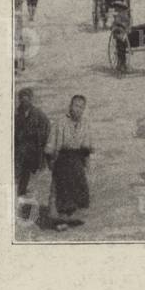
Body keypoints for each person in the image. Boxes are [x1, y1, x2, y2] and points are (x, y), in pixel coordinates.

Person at [47, 95, 93, 232]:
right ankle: (60, 219)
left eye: (81, 107)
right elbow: (51, 143)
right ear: (70, 106)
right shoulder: (60, 122)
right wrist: (51, 161)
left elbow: (86, 146)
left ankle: (70, 215)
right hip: (62, 158)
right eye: (75, 106)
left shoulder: (85, 123)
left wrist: (87, 162)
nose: (78, 109)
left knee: (77, 187)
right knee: (61, 188)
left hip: (77, 159)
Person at [15, 88, 50, 200]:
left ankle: (23, 192)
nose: (24, 101)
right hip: (19, 150)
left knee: (30, 172)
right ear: (19, 100)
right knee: (20, 171)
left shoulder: (39, 114)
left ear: (31, 100)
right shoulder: (16, 114)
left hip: (33, 150)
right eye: (22, 99)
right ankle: (20, 191)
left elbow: (46, 129)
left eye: (27, 99)